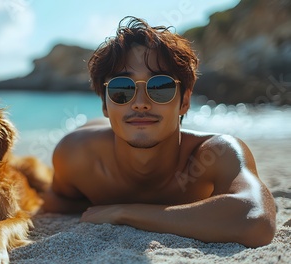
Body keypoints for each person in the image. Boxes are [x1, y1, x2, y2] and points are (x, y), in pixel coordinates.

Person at [41, 16, 276, 248]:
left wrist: (125, 212)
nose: (140, 103)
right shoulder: (76, 155)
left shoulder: (214, 153)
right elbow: (56, 204)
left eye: (160, 87)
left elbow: (256, 219)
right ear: (104, 104)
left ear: (184, 101)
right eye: (121, 89)